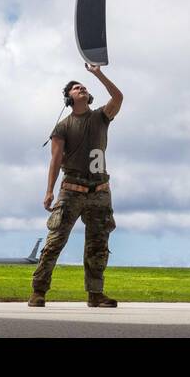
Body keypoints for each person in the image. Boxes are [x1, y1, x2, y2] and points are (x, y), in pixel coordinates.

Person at [28, 63, 123, 307]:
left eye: (83, 87)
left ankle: (95, 294)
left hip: (100, 190)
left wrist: (97, 73)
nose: (81, 89)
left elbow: (118, 96)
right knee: (55, 241)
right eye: (75, 88)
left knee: (98, 245)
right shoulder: (62, 127)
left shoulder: (101, 116)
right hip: (71, 190)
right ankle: (38, 291)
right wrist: (49, 191)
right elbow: (55, 160)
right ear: (69, 99)